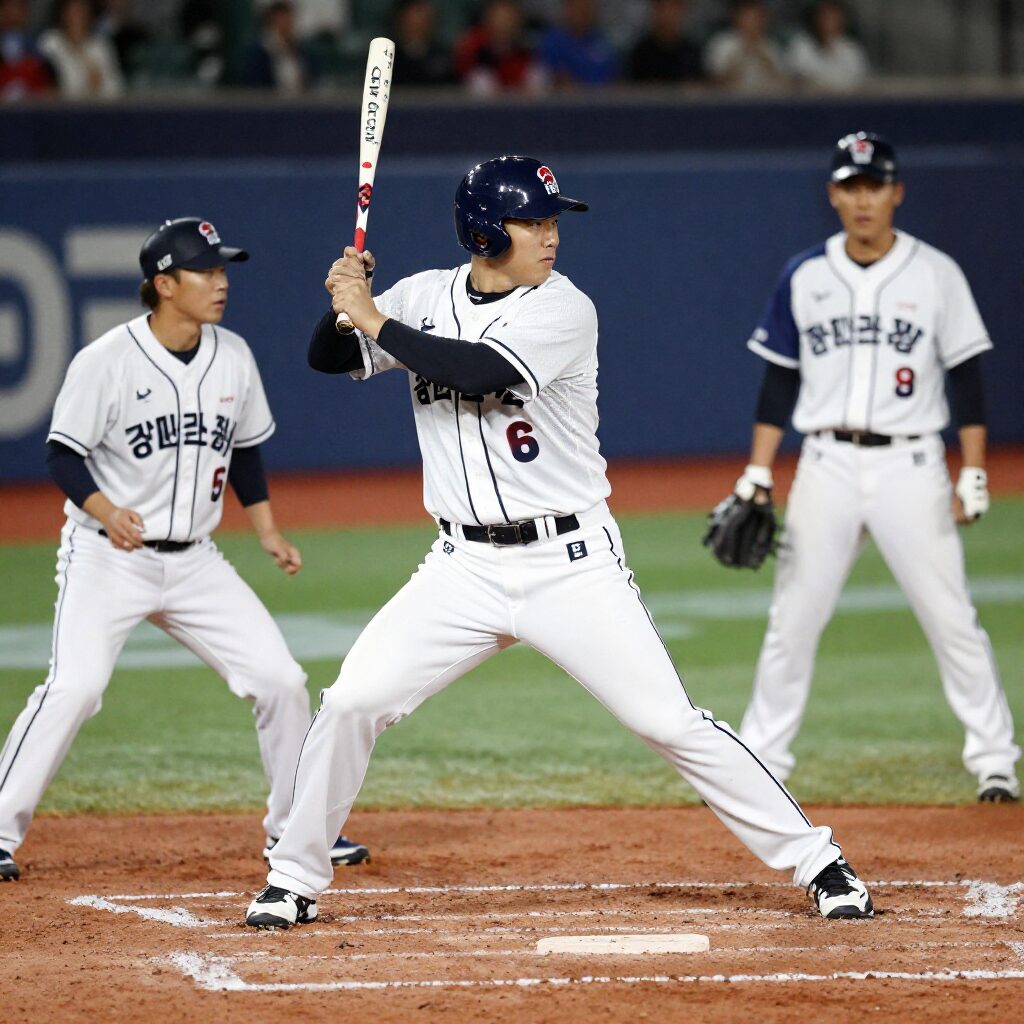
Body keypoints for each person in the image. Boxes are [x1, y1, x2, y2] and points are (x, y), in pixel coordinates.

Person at [242, 154, 874, 929]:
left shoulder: (564, 309)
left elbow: (475, 372)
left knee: (667, 721)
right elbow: (329, 355)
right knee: (352, 701)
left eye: (552, 221)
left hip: (569, 564)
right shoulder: (418, 297)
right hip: (461, 568)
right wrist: (342, 300)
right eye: (533, 221)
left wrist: (372, 315)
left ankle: (821, 862)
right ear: (484, 230)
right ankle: (292, 879)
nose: (550, 236)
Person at [0, 217, 369, 884]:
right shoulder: (106, 360)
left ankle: (297, 828)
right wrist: (106, 510)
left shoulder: (232, 356)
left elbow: (247, 450)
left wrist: (266, 531)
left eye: (224, 269)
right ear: (164, 285)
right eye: (207, 271)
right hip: (108, 555)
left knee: (280, 680)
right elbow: (62, 454)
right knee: (76, 686)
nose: (221, 282)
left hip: (196, 559)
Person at [729, 132, 1020, 804]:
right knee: (793, 617)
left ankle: (995, 759)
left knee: (950, 616)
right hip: (825, 463)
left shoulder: (935, 273)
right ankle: (764, 756)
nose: (863, 199)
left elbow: (968, 375)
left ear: (897, 192)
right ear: (834, 194)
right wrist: (758, 470)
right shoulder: (805, 274)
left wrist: (973, 469)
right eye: (851, 186)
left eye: (874, 185)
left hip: (912, 466)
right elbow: (778, 382)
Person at [453, 0, 546, 96]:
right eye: (499, 18)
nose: (503, 25)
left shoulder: (529, 55)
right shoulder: (472, 52)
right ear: (487, 21)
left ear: (518, 21)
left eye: (508, 19)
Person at [37, 0, 125, 99]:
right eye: (73, 10)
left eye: (83, 10)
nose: (78, 16)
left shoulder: (100, 46)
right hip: (60, 110)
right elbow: (49, 87)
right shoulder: (50, 43)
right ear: (62, 13)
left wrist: (100, 85)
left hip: (97, 109)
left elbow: (117, 87)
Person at [704, 0, 787, 94]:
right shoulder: (722, 44)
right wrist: (742, 55)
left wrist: (762, 57)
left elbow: (784, 83)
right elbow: (715, 82)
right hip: (730, 100)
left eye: (756, 18)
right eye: (748, 18)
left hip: (766, 100)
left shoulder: (772, 45)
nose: (752, 23)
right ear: (737, 19)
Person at [786, 0, 869, 93]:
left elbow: (857, 81)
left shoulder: (852, 50)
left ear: (842, 20)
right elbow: (800, 78)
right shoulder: (801, 45)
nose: (827, 21)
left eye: (833, 17)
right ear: (815, 18)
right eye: (824, 16)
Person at [537, 0, 618, 90]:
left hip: (606, 99)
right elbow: (554, 78)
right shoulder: (553, 42)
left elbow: (615, 76)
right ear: (567, 9)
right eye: (577, 6)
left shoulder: (602, 39)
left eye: (586, 6)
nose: (582, 11)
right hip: (569, 101)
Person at [626, 0, 705, 84]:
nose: (668, 13)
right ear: (654, 10)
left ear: (682, 10)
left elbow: (701, 87)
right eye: (662, 7)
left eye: (673, 7)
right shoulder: (640, 53)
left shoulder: (693, 52)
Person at [390, 0, 456, 88]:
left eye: (424, 19)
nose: (418, 24)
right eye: (412, 19)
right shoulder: (388, 56)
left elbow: (453, 93)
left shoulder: (443, 57)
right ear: (401, 20)